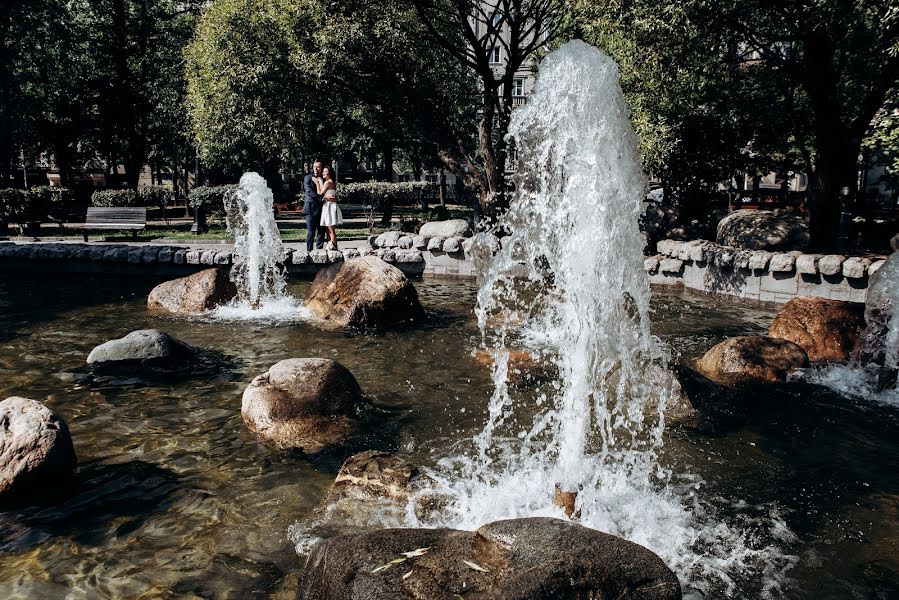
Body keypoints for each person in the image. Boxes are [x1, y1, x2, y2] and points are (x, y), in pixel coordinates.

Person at [315, 166, 343, 249]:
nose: (323, 173)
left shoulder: (328, 182)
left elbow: (320, 192)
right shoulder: (332, 183)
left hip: (329, 206)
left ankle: (333, 245)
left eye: (325, 171)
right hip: (330, 205)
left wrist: (317, 183)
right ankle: (332, 244)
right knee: (329, 229)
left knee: (330, 229)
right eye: (323, 171)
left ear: (329, 173)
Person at [303, 160, 326, 251]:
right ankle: (309, 251)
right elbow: (309, 191)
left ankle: (320, 251)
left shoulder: (324, 179)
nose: (316, 168)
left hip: (322, 208)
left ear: (321, 168)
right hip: (310, 209)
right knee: (311, 232)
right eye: (314, 166)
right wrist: (321, 199)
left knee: (321, 231)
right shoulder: (308, 178)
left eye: (318, 167)